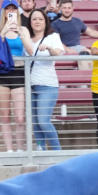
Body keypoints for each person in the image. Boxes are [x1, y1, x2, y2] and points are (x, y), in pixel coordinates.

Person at [21, 10, 66, 151]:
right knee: (35, 123)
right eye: (34, 19)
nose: (37, 21)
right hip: (30, 86)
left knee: (43, 121)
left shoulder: (53, 37)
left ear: (46, 21)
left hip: (47, 85)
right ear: (30, 22)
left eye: (40, 19)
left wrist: (49, 48)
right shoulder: (26, 38)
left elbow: (58, 53)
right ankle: (41, 150)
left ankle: (57, 151)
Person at [0, 0, 28, 153]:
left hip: (19, 71)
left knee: (19, 117)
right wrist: (4, 30)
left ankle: (20, 148)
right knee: (5, 115)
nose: (11, 11)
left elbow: (30, 49)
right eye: (8, 9)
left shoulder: (23, 29)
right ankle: (9, 149)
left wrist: (21, 34)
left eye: (14, 8)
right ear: (3, 12)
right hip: (1, 73)